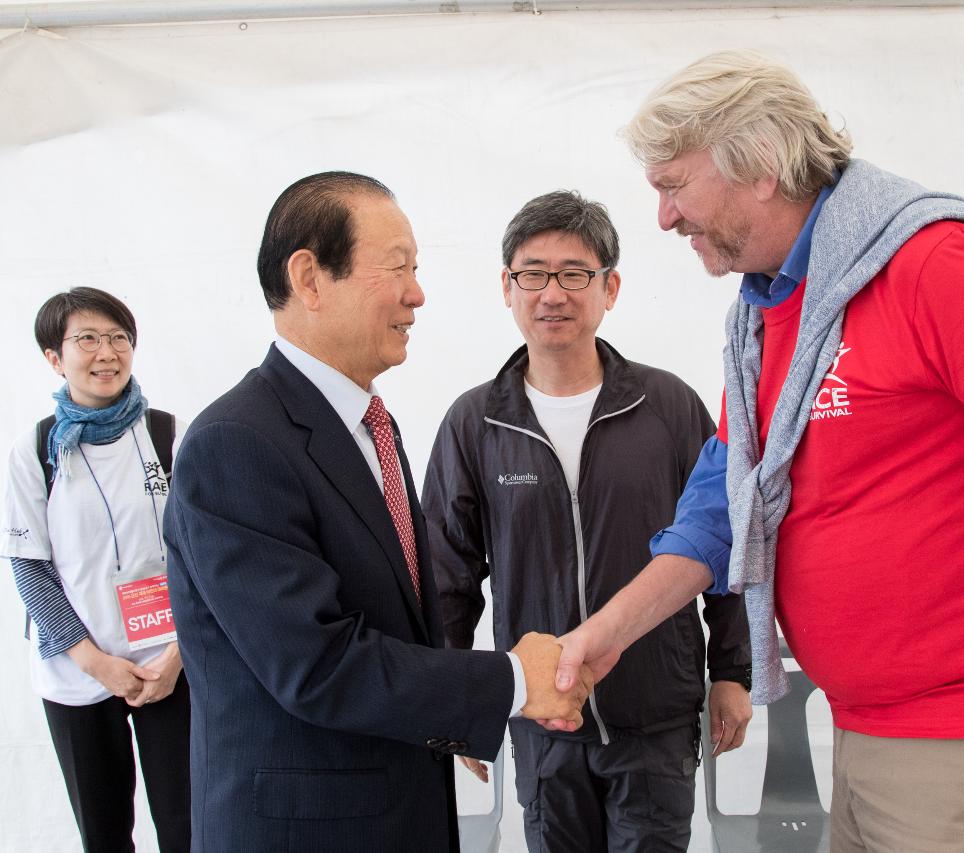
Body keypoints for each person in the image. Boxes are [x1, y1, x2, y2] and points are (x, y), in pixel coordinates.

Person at [548, 50, 964, 852]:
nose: (662, 217)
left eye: (674, 183)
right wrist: (606, 633)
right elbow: (719, 508)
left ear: (760, 166)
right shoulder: (771, 312)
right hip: (866, 739)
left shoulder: (937, 266)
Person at [162, 171, 592, 853]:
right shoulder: (235, 445)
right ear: (309, 276)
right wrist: (510, 679)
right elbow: (317, 663)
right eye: (398, 267)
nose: (417, 294)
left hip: (397, 813)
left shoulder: (372, 427)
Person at [422, 190, 752, 852]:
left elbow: (727, 538)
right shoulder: (475, 421)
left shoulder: (668, 406)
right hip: (542, 722)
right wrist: (459, 703)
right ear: (507, 288)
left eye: (575, 273)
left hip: (655, 717)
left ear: (611, 287)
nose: (554, 293)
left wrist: (733, 671)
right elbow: (446, 576)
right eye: (533, 273)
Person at [3, 287, 190, 852]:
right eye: (87, 338)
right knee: (105, 833)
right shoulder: (35, 450)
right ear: (54, 358)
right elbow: (30, 566)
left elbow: (199, 555)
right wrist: (95, 662)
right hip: (77, 673)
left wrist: (180, 652)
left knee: (189, 824)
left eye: (118, 338)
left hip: (170, 667)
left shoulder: (166, 434)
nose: (106, 352)